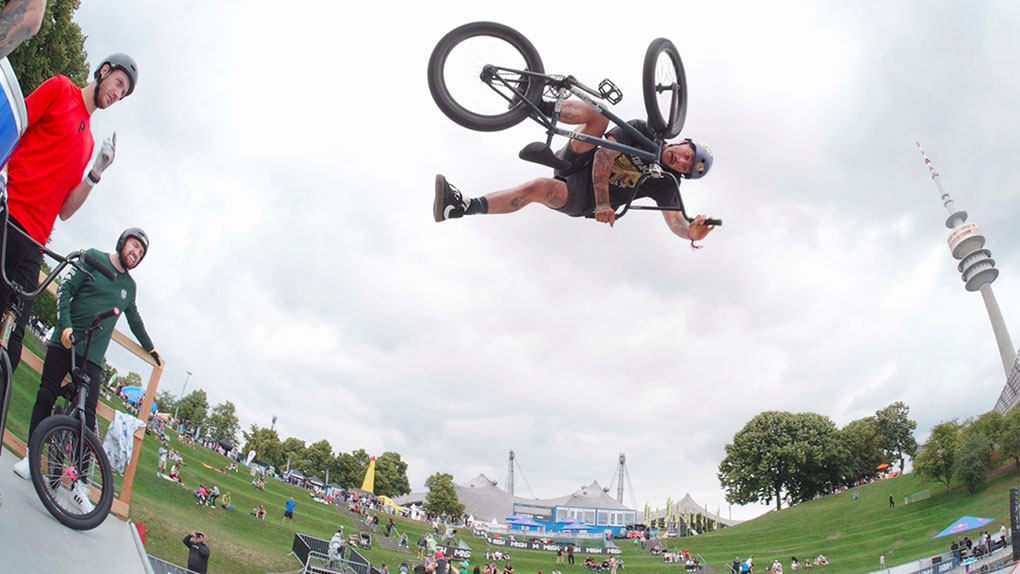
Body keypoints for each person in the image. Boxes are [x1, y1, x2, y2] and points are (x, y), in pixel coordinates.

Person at [0, 53, 138, 382]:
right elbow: (16, 124)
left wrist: (95, 173)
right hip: (7, 215)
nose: (118, 93)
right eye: (119, 83)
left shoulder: (88, 143)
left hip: (34, 244)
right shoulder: (61, 89)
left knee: (11, 348)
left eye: (124, 93)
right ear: (104, 71)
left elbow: (65, 210)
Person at [12, 229, 159, 504]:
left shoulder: (130, 288)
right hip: (65, 342)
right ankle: (30, 457)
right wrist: (65, 327)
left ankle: (79, 484)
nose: (136, 253)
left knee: (88, 418)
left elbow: (135, 319)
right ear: (122, 242)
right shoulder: (93, 258)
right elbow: (65, 289)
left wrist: (150, 348)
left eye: (141, 252)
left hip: (92, 357)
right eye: (134, 245)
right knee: (45, 395)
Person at [434, 100, 715, 243]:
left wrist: (692, 233)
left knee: (538, 187)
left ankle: (461, 207)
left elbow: (677, 222)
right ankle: (535, 103)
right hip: (579, 160)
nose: (680, 161)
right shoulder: (642, 131)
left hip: (586, 197)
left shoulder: (665, 183)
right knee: (601, 114)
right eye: (686, 156)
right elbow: (605, 152)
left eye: (685, 167)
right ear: (683, 142)